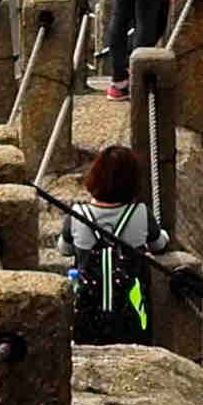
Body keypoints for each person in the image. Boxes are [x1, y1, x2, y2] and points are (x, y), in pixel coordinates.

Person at [60, 142, 170, 342]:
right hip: (130, 316)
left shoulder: (77, 214)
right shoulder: (141, 213)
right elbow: (159, 245)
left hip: (86, 315)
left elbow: (64, 249)